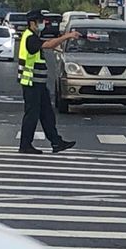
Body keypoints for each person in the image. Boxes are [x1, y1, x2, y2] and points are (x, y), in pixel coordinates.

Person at [18, 9, 80, 154]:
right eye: (39, 21)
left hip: (38, 83)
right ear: (32, 23)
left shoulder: (32, 36)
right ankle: (25, 145)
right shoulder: (30, 37)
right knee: (31, 115)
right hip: (31, 83)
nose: (42, 24)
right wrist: (67, 36)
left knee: (47, 114)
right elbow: (48, 45)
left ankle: (56, 142)